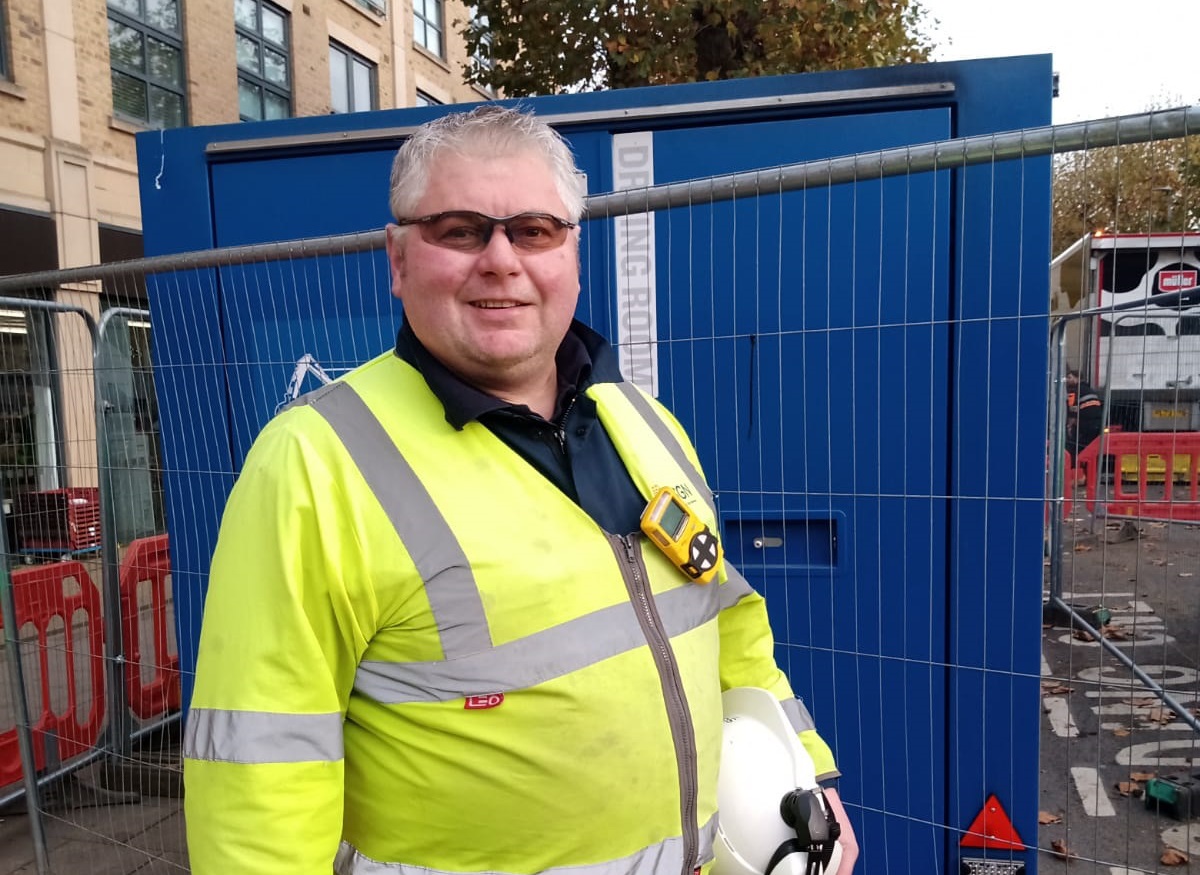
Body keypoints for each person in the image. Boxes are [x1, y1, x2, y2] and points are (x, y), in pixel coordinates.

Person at [182, 105, 858, 875]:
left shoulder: (646, 423)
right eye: (460, 229)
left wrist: (808, 774)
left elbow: (729, 623)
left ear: (573, 256)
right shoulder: (312, 464)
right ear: (398, 260)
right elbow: (258, 774)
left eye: (533, 230)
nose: (501, 259)